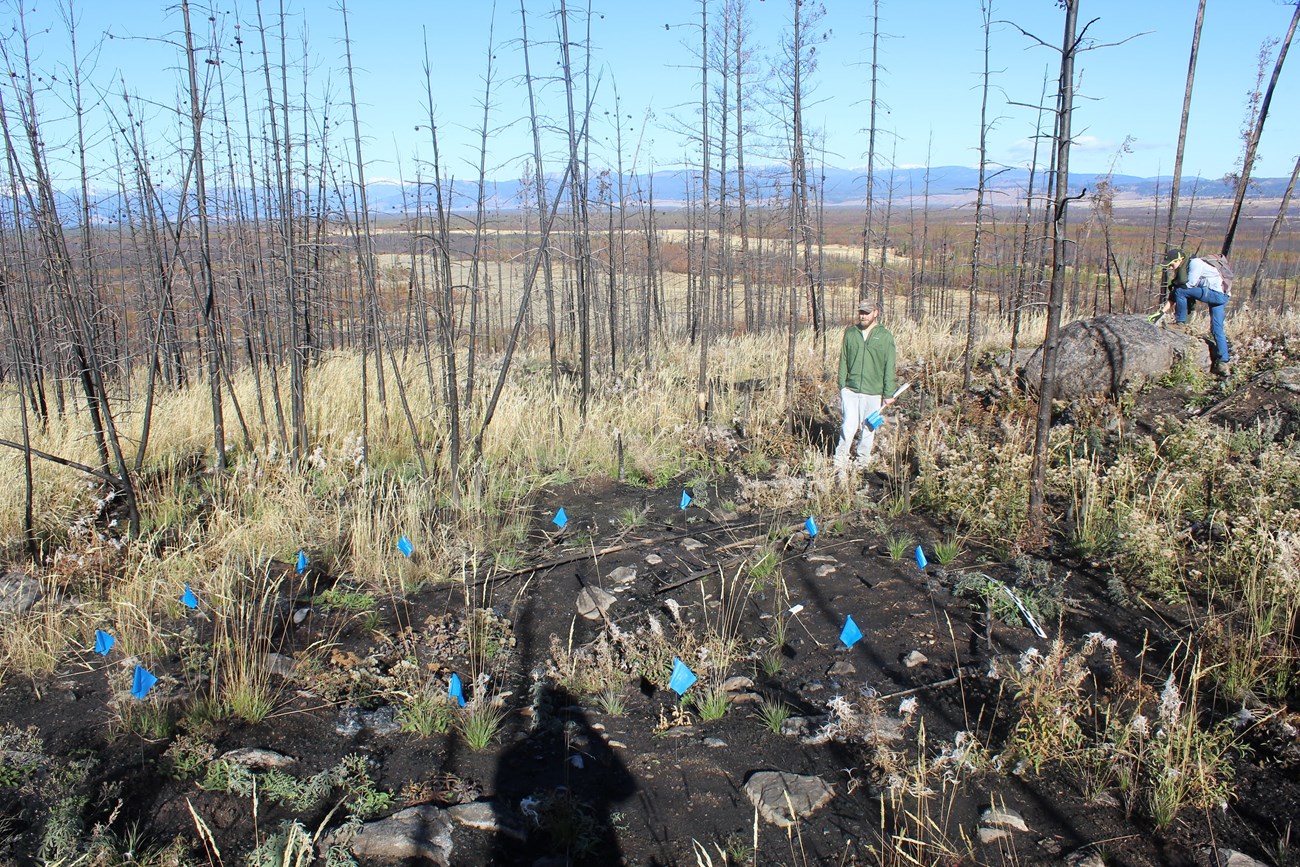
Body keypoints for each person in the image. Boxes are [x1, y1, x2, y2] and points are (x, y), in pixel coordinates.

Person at [835, 300, 896, 472]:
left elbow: (889, 365)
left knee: (869, 428)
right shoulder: (851, 333)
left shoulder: (885, 336)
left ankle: (862, 463)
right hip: (851, 390)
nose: (863, 315)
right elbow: (844, 359)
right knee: (848, 426)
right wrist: (842, 385)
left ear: (876, 313)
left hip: (874, 392)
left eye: (867, 312)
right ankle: (840, 461)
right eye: (861, 312)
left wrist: (888, 392)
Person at [1160, 247, 1232, 374]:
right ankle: (1223, 363)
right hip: (1221, 295)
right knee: (1217, 329)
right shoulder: (1190, 266)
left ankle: (1180, 323)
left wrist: (1175, 286)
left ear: (1180, 260)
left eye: (1171, 264)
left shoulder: (1195, 263)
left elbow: (1189, 285)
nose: (1170, 268)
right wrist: (1162, 312)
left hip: (1215, 294)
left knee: (1181, 291)